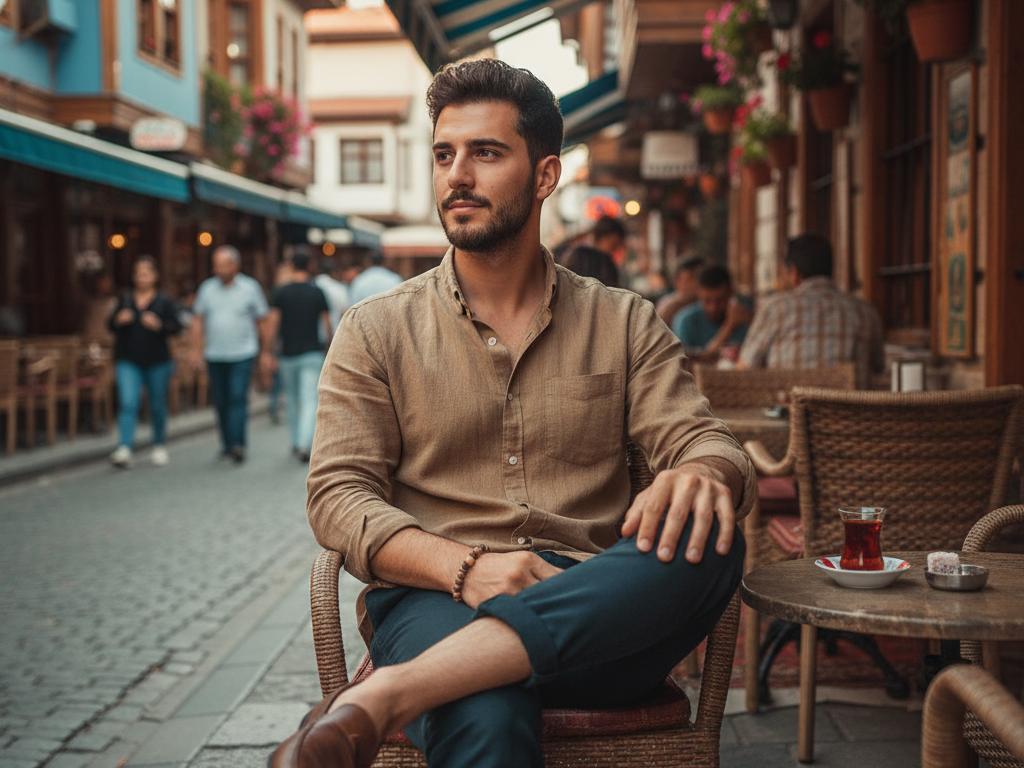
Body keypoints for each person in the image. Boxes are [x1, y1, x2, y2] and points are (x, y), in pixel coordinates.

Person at [272, 58, 754, 768]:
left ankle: (390, 694)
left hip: (595, 599)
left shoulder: (624, 322)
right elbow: (338, 498)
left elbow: (701, 437)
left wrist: (705, 472)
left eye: (486, 153)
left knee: (712, 537)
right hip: (433, 596)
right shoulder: (374, 330)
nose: (456, 176)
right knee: (483, 711)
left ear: (545, 175)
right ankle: (444, 674)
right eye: (444, 154)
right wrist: (467, 569)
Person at [738, 233, 884, 387]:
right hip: (851, 410)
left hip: (790, 409)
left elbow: (745, 370)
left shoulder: (775, 308)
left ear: (794, 272)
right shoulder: (866, 312)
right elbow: (878, 367)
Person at [190, 245, 269, 464]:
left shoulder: (250, 288)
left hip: (242, 352)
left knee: (237, 397)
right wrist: (195, 350)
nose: (219, 270)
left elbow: (263, 320)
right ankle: (226, 443)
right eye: (216, 266)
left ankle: (238, 444)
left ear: (235, 265)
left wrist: (266, 352)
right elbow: (197, 320)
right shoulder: (207, 288)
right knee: (221, 401)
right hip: (215, 353)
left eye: (223, 265)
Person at [107, 257, 182, 468]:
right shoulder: (125, 299)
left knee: (157, 403)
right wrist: (118, 320)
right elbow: (110, 325)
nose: (142, 278)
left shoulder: (164, 301)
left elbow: (176, 327)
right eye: (139, 273)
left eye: (146, 273)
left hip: (158, 360)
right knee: (128, 402)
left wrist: (159, 325)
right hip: (128, 360)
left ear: (155, 276)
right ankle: (124, 447)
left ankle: (159, 444)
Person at [261, 247, 332, 462]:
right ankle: (304, 443)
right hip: (312, 352)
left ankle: (296, 442)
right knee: (310, 399)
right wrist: (330, 347)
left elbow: (272, 324)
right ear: (310, 266)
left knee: (291, 399)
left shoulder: (281, 292)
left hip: (288, 353)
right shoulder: (317, 292)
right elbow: (327, 324)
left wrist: (267, 351)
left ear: (291, 266)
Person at [671, 265, 751, 359]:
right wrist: (729, 326)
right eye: (707, 301)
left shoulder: (745, 315)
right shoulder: (685, 321)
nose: (713, 307)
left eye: (720, 300)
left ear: (731, 293)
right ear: (698, 294)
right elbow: (686, 361)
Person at [656, 256, 704, 325]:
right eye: (691, 278)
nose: (697, 283)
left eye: (700, 277)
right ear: (677, 281)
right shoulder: (668, 307)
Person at [314, 256, 351, 337]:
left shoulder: (312, 285)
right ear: (334, 272)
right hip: (334, 337)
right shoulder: (340, 289)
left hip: (312, 337)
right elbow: (345, 314)